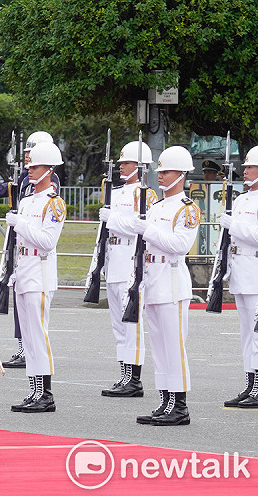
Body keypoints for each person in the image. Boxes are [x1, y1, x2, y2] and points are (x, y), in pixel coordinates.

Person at [0, 130, 60, 369]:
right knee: (24, 318)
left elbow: (46, 236)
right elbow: (8, 189)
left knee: (37, 329)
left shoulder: (50, 188)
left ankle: (41, 386)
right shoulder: (27, 183)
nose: (27, 159)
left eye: (31, 155)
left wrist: (21, 224)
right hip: (22, 260)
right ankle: (24, 354)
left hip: (39, 264)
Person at [133, 146, 200, 426]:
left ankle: (180, 406)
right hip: (153, 280)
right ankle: (165, 402)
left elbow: (180, 246)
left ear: (181, 175)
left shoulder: (188, 209)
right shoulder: (157, 207)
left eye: (167, 171)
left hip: (172, 283)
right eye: (159, 171)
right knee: (159, 347)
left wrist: (148, 230)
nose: (160, 176)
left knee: (175, 347)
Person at [5, 141, 66, 413]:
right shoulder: (28, 200)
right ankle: (34, 390)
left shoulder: (54, 204)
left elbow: (46, 241)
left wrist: (21, 224)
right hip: (25, 271)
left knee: (38, 335)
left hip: (40, 274)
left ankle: (45, 394)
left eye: (36, 166)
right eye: (29, 166)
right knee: (28, 337)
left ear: (49, 170)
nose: (30, 170)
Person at [97, 141, 158, 397]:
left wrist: (112, 219)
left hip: (131, 263)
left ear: (140, 166)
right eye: (121, 162)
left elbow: (139, 225)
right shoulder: (118, 192)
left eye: (126, 162)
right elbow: (103, 233)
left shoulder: (146, 194)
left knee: (131, 324)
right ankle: (123, 374)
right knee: (118, 325)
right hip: (114, 262)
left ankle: (134, 378)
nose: (121, 166)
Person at [220, 146, 258, 408]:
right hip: (241, 271)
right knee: (246, 333)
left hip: (255, 272)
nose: (244, 171)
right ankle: (250, 384)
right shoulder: (243, 199)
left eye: (249, 167)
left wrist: (233, 225)